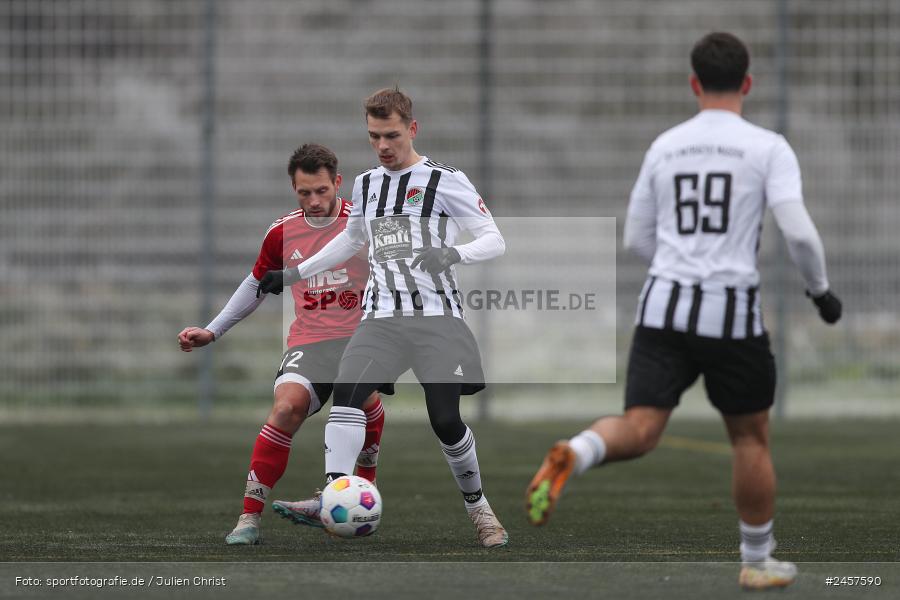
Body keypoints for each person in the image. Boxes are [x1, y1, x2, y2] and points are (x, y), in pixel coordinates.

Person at [525, 32, 842, 589]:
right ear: (747, 83)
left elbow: (637, 239)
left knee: (642, 428)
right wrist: (820, 291)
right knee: (749, 438)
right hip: (732, 316)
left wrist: (677, 265)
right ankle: (758, 561)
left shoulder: (665, 146)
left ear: (694, 84)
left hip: (663, 309)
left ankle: (575, 451)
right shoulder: (768, 147)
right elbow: (799, 232)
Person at [258, 87, 509, 547]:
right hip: (381, 318)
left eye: (391, 135)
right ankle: (334, 493)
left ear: (412, 129)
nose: (383, 145)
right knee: (348, 394)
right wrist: (295, 271)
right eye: (374, 136)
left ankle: (481, 510)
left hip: (437, 318)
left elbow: (494, 239)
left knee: (445, 421)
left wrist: (452, 252)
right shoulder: (367, 184)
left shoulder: (444, 179)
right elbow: (350, 241)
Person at [179, 144, 390, 545]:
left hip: (361, 339)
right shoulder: (281, 231)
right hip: (309, 341)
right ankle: (248, 518)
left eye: (322, 191)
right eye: (304, 192)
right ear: (293, 188)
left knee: (361, 399)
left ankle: (357, 492)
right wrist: (213, 330)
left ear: (338, 184)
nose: (314, 201)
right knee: (286, 407)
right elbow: (256, 283)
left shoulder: (362, 226)